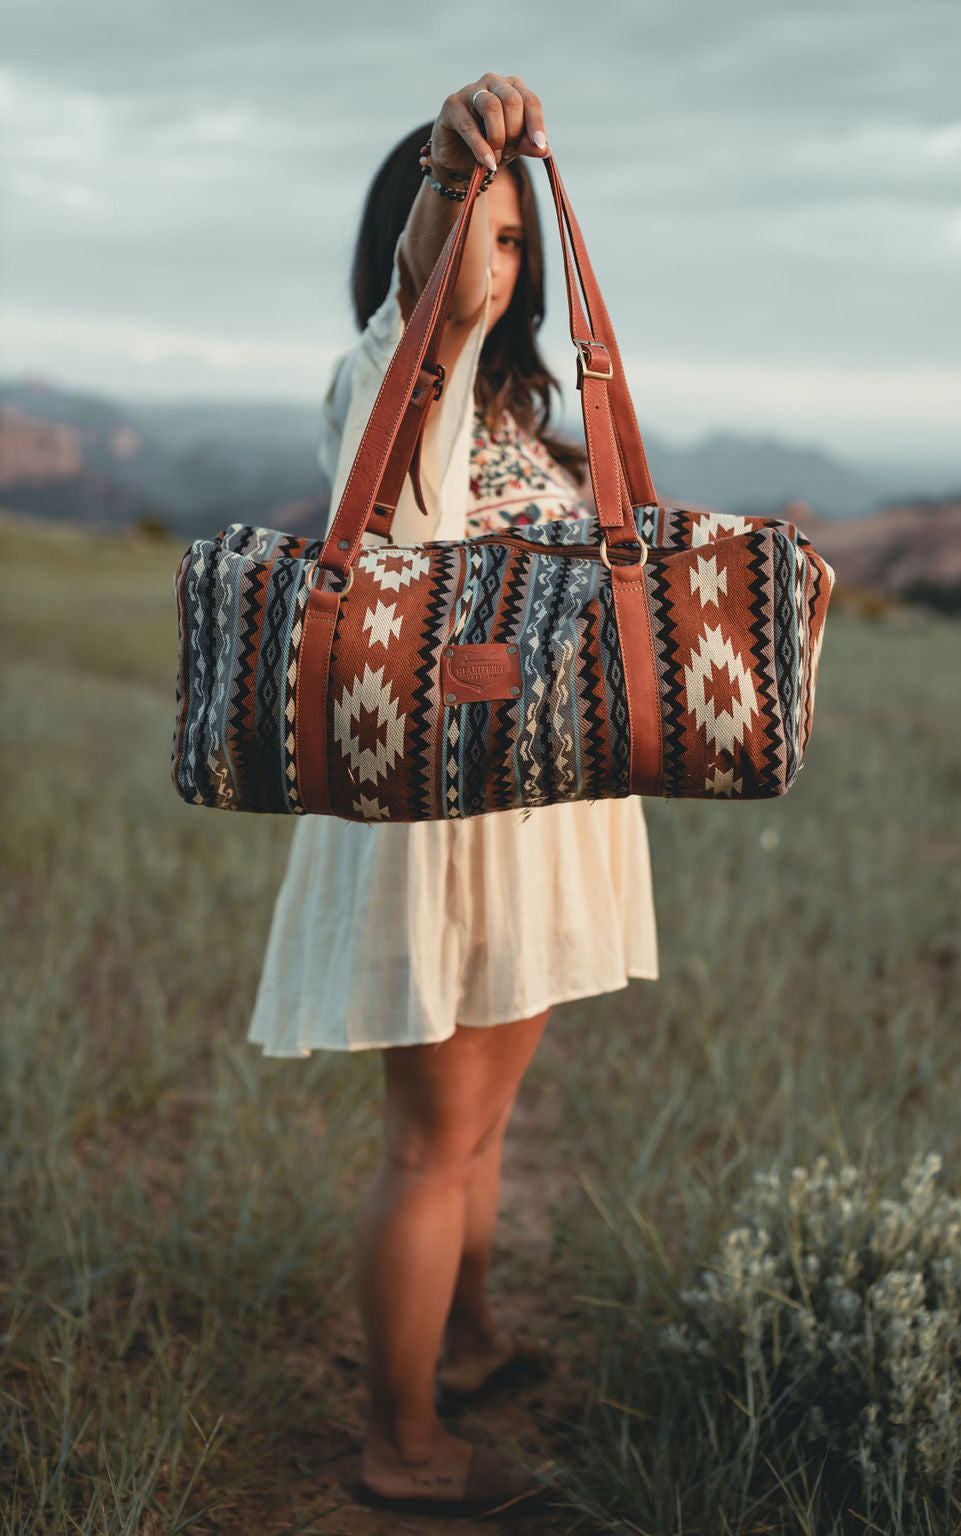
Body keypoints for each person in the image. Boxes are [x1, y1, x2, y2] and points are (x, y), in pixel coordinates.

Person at [247, 74, 660, 1512]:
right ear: (421, 237)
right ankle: (399, 1443)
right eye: (490, 235)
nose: (509, 262)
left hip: (537, 812)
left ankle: (466, 1342)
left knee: (485, 1132)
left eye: (514, 241)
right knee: (431, 1145)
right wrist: (455, 166)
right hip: (447, 825)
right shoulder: (389, 384)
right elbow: (429, 297)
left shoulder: (516, 409)